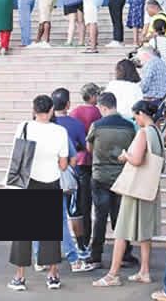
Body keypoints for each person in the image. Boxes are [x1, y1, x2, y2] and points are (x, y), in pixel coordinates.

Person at [93, 99, 163, 288]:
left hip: (136, 187)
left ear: (141, 114)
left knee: (121, 230)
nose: (135, 120)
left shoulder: (143, 132)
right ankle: (144, 271)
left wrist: (125, 156)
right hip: (149, 188)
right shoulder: (157, 132)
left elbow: (137, 160)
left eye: (135, 116)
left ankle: (113, 274)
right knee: (145, 233)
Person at [7, 95, 70, 292]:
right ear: (51, 110)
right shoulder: (60, 131)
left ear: (34, 110)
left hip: (27, 183)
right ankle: (52, 275)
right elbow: (63, 163)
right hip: (50, 182)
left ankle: (19, 277)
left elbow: (16, 154)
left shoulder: (24, 126)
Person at [82, 92, 137, 273]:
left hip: (100, 176)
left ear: (104, 107)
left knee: (100, 217)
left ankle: (96, 255)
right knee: (120, 217)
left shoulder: (96, 126)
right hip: (121, 177)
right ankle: (125, 254)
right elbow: (133, 149)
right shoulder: (129, 126)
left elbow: (89, 148)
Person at [50, 88, 89, 272]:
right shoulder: (75, 124)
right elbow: (83, 146)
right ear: (68, 104)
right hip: (70, 174)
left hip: (47, 174)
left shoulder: (48, 125)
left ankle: (43, 254)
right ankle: (80, 248)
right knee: (74, 212)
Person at [69, 83, 103, 265]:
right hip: (90, 160)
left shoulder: (74, 112)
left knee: (78, 206)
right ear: (93, 96)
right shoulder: (96, 113)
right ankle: (86, 240)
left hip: (77, 161)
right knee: (87, 204)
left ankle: (78, 240)